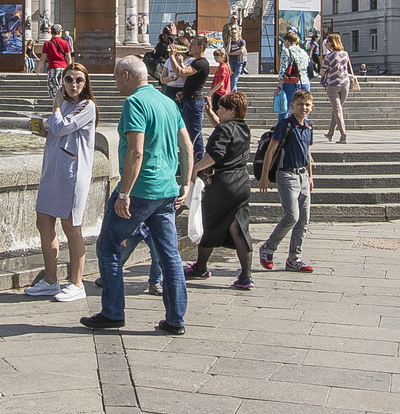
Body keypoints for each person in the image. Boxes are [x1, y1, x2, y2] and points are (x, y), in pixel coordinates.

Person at [81, 56, 193, 336]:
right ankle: (176, 318)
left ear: (127, 75)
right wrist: (186, 185)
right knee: (170, 255)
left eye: (117, 77)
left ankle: (113, 312)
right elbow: (187, 146)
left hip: (141, 190)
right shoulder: (168, 102)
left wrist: (124, 193)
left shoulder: (135, 103)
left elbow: (136, 151)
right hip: (167, 190)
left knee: (108, 246)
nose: (116, 83)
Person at [27, 62, 96, 303]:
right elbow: (55, 129)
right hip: (53, 171)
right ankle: (50, 279)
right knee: (44, 221)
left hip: (72, 174)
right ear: (62, 82)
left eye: (79, 80)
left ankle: (77, 283)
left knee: (71, 226)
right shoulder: (66, 104)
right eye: (69, 79)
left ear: (86, 83)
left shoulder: (88, 106)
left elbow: (63, 126)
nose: (74, 84)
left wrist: (55, 107)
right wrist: (43, 129)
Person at [186, 91, 254, 288]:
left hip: (223, 183)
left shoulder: (224, 130)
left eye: (221, 109)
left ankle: (200, 268)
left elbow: (216, 153)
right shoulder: (244, 128)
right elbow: (225, 130)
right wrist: (210, 114)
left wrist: (197, 168)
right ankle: (246, 276)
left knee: (210, 223)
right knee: (239, 228)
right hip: (241, 182)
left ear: (232, 111)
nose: (218, 110)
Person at [258, 88, 316, 274]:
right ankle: (268, 248)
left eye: (307, 105)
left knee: (303, 219)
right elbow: (271, 151)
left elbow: (308, 153)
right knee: (292, 216)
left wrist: (311, 175)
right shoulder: (285, 124)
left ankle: (294, 258)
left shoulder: (308, 127)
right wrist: (265, 176)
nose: (303, 108)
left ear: (312, 107)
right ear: (292, 106)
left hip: (303, 175)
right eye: (300, 105)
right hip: (287, 174)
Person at [168, 35, 213, 160]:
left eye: (192, 45)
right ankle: (191, 159)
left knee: (195, 133)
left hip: (194, 102)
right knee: (187, 132)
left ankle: (199, 160)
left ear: (200, 47)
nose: (189, 47)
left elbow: (181, 73)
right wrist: (184, 92)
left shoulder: (201, 63)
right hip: (189, 99)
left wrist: (172, 56)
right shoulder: (195, 62)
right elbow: (192, 81)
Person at [319, 32, 357, 143]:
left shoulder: (329, 56)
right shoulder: (345, 54)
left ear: (331, 43)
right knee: (337, 109)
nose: (326, 44)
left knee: (337, 110)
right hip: (345, 84)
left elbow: (322, 73)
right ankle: (330, 133)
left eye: (327, 42)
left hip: (332, 84)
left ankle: (343, 135)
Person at [275, 29, 310, 119]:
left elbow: (283, 69)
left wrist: (279, 86)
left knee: (284, 108)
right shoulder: (303, 52)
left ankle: (282, 129)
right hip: (305, 82)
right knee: (304, 108)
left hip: (292, 83)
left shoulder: (286, 51)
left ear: (287, 41)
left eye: (284, 41)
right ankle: (304, 128)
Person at [42, 26, 72, 95]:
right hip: (63, 67)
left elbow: (42, 58)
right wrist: (70, 68)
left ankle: (55, 104)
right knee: (63, 87)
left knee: (53, 88)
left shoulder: (47, 44)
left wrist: (38, 69)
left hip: (53, 67)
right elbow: (68, 57)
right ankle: (62, 103)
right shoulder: (65, 43)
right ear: (59, 32)